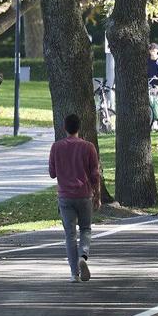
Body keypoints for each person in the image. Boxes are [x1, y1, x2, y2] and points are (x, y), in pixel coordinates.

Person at [48, 113, 103, 282]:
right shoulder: (89, 147)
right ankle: (83, 256)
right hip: (84, 194)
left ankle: (74, 274)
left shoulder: (56, 147)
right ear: (79, 128)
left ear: (65, 128)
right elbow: (95, 174)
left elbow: (52, 173)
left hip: (65, 196)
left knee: (70, 235)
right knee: (85, 229)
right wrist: (98, 195)